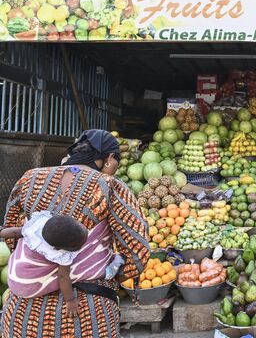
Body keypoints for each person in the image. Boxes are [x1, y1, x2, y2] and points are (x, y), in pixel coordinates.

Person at [1, 129, 150, 338]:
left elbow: (13, 234)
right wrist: (109, 276)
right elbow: (137, 252)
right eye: (117, 160)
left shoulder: (29, 179)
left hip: (25, 312)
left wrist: (37, 268)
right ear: (108, 159)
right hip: (86, 310)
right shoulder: (110, 187)